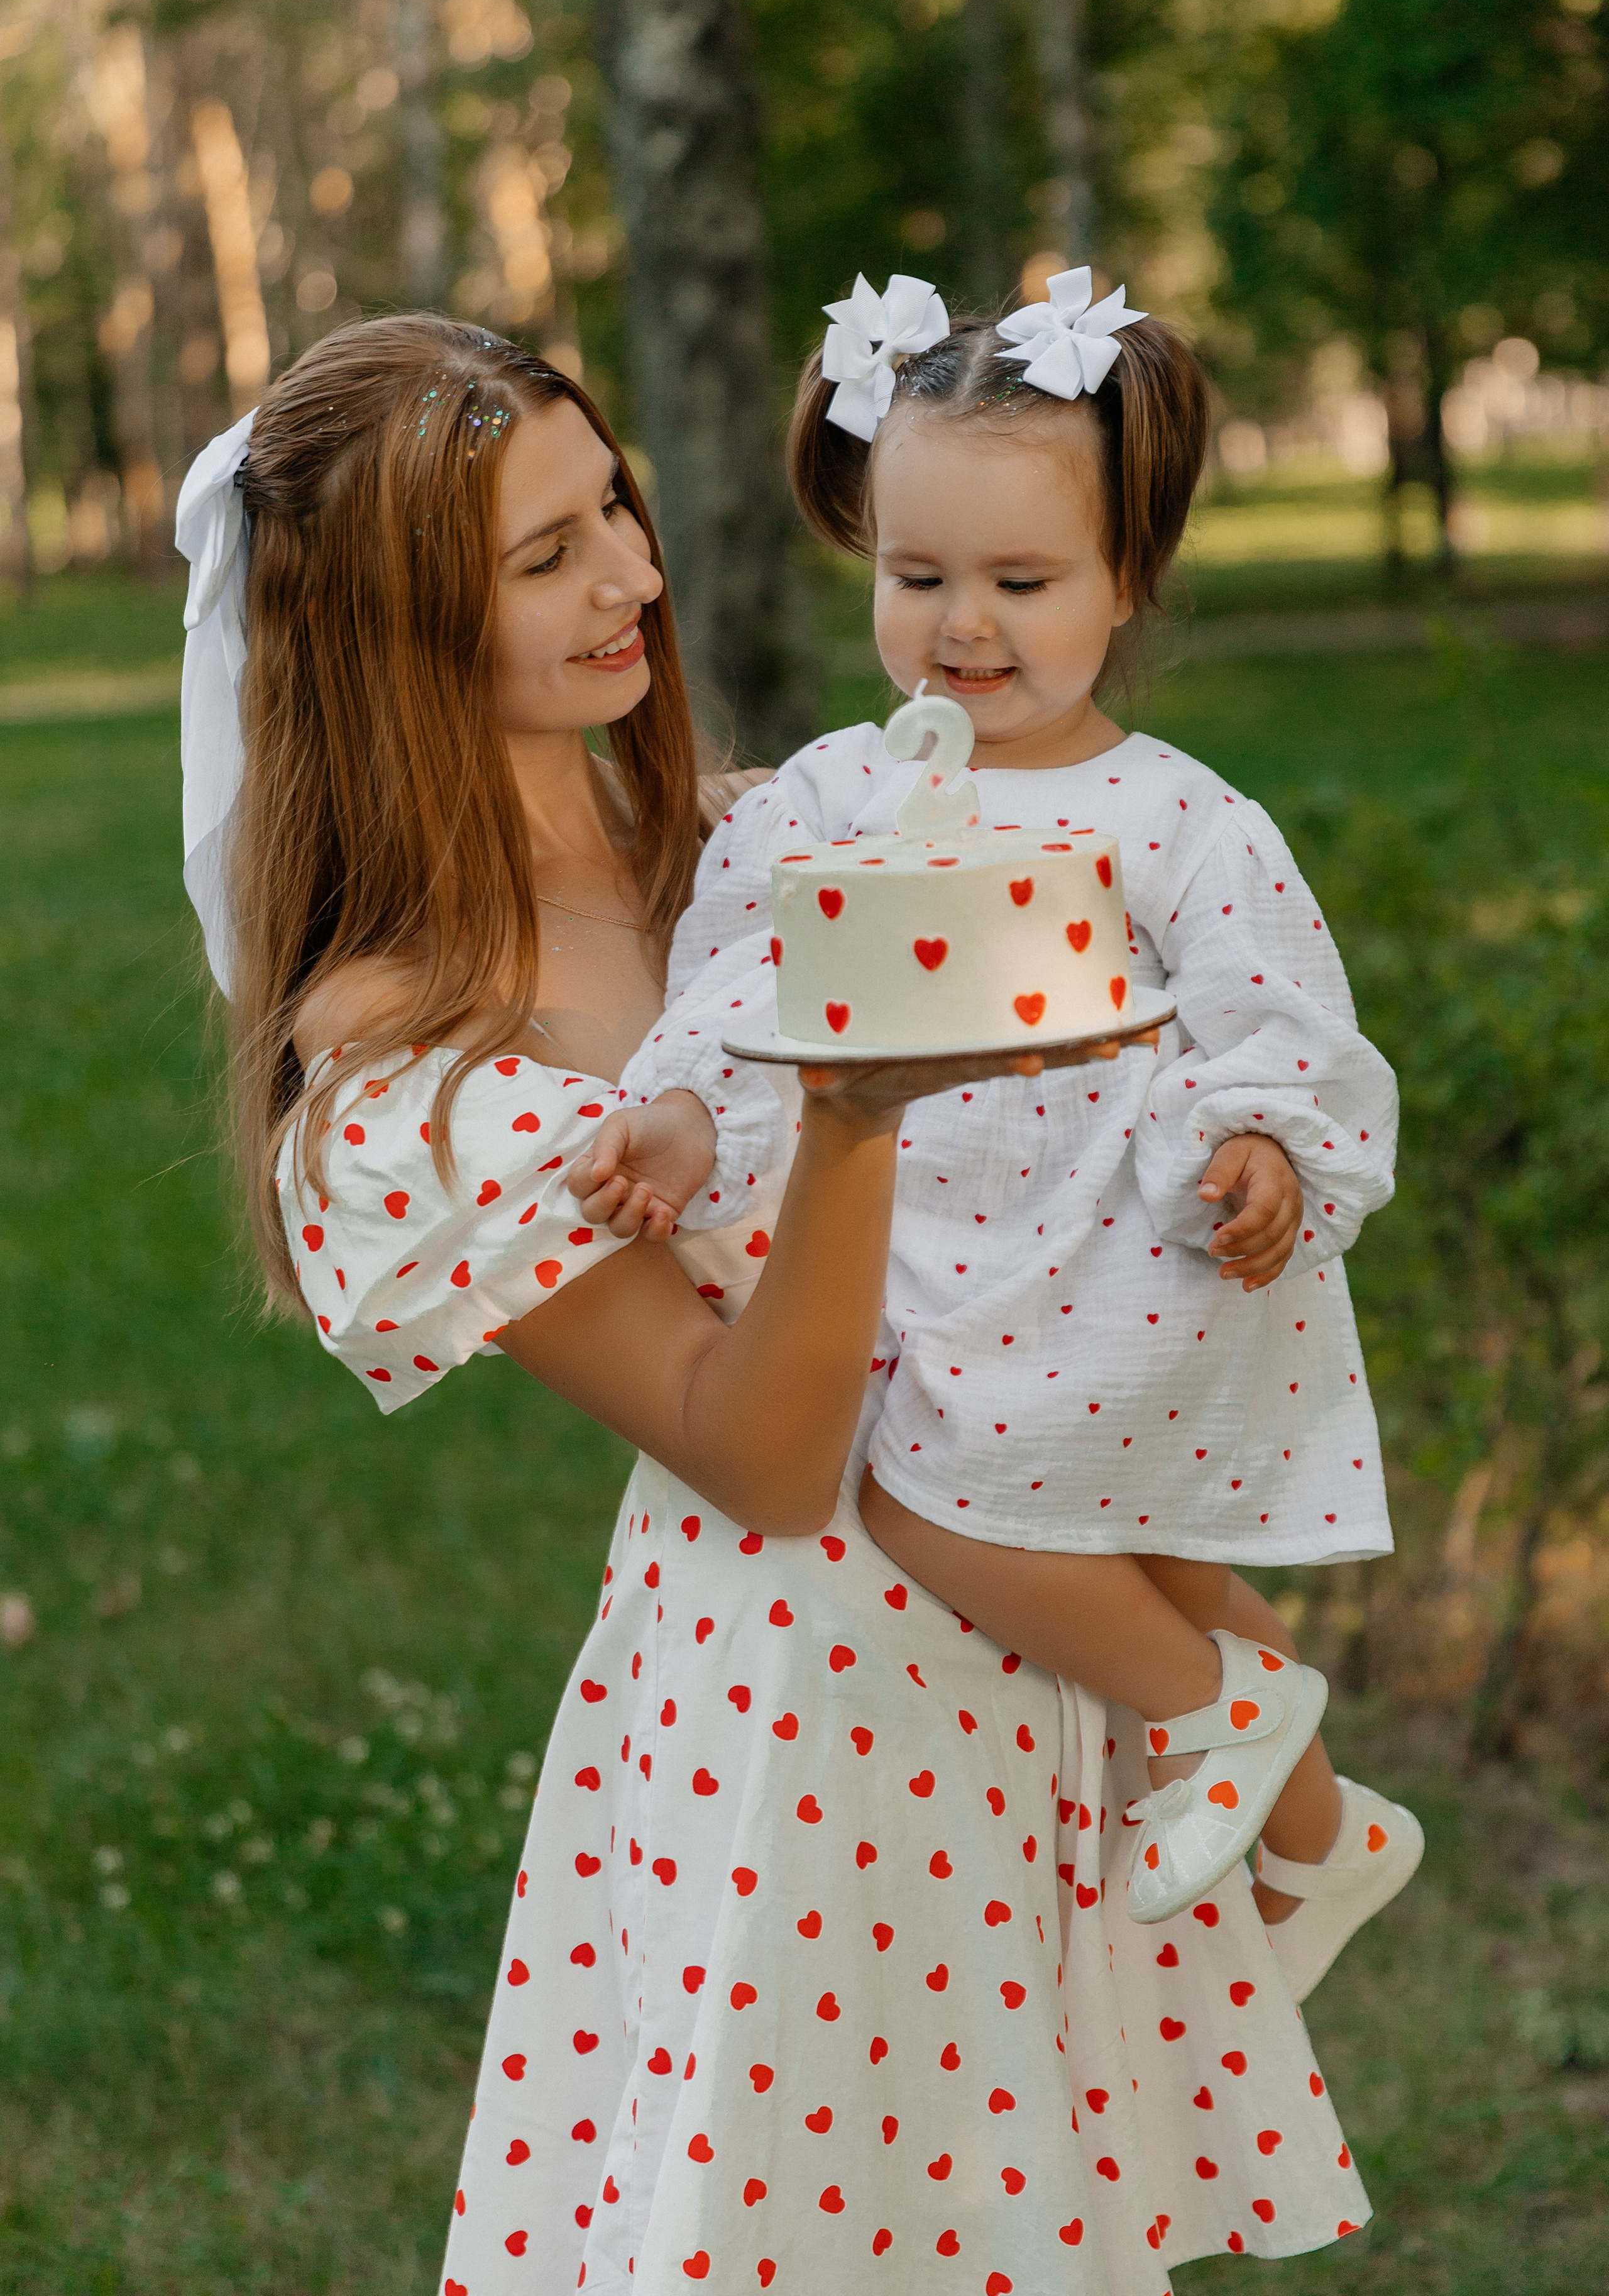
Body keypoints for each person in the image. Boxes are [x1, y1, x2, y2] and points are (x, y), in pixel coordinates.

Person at [179, 311, 1374, 2294]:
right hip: (803, 1728)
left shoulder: (770, 836)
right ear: (389, 628)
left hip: (1038, 1636)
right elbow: (764, 1458)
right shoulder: (408, 1046)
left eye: (614, 512)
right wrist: (849, 1116)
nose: (633, 579)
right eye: (546, 556)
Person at [583, 267, 1424, 1982]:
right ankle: (1327, 1834)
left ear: (1127, 582)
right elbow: (749, 975)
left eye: (1021, 583)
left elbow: (1277, 1011)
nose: (964, 626)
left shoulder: (1177, 815)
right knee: (1116, 1546)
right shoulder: (836, 790)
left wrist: (1266, 1145)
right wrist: (677, 1115)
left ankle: (1216, 1714)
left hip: (1120, 1251)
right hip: (935, 1258)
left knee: (943, 1512)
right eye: (918, 577)